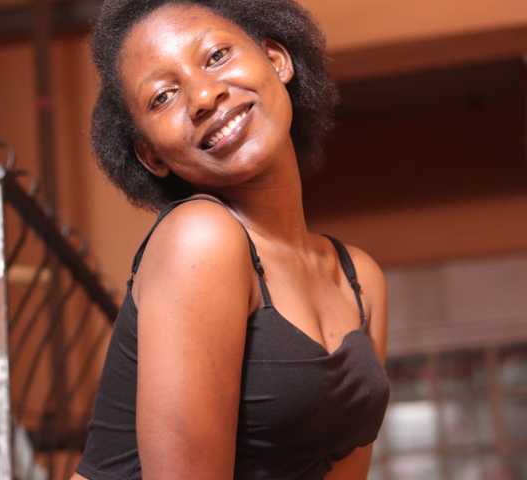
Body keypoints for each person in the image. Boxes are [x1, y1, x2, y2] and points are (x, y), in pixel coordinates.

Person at [74, 1, 390, 479]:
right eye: (163, 97)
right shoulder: (200, 237)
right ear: (151, 155)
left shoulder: (359, 278)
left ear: (276, 59)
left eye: (216, 56)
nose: (203, 96)